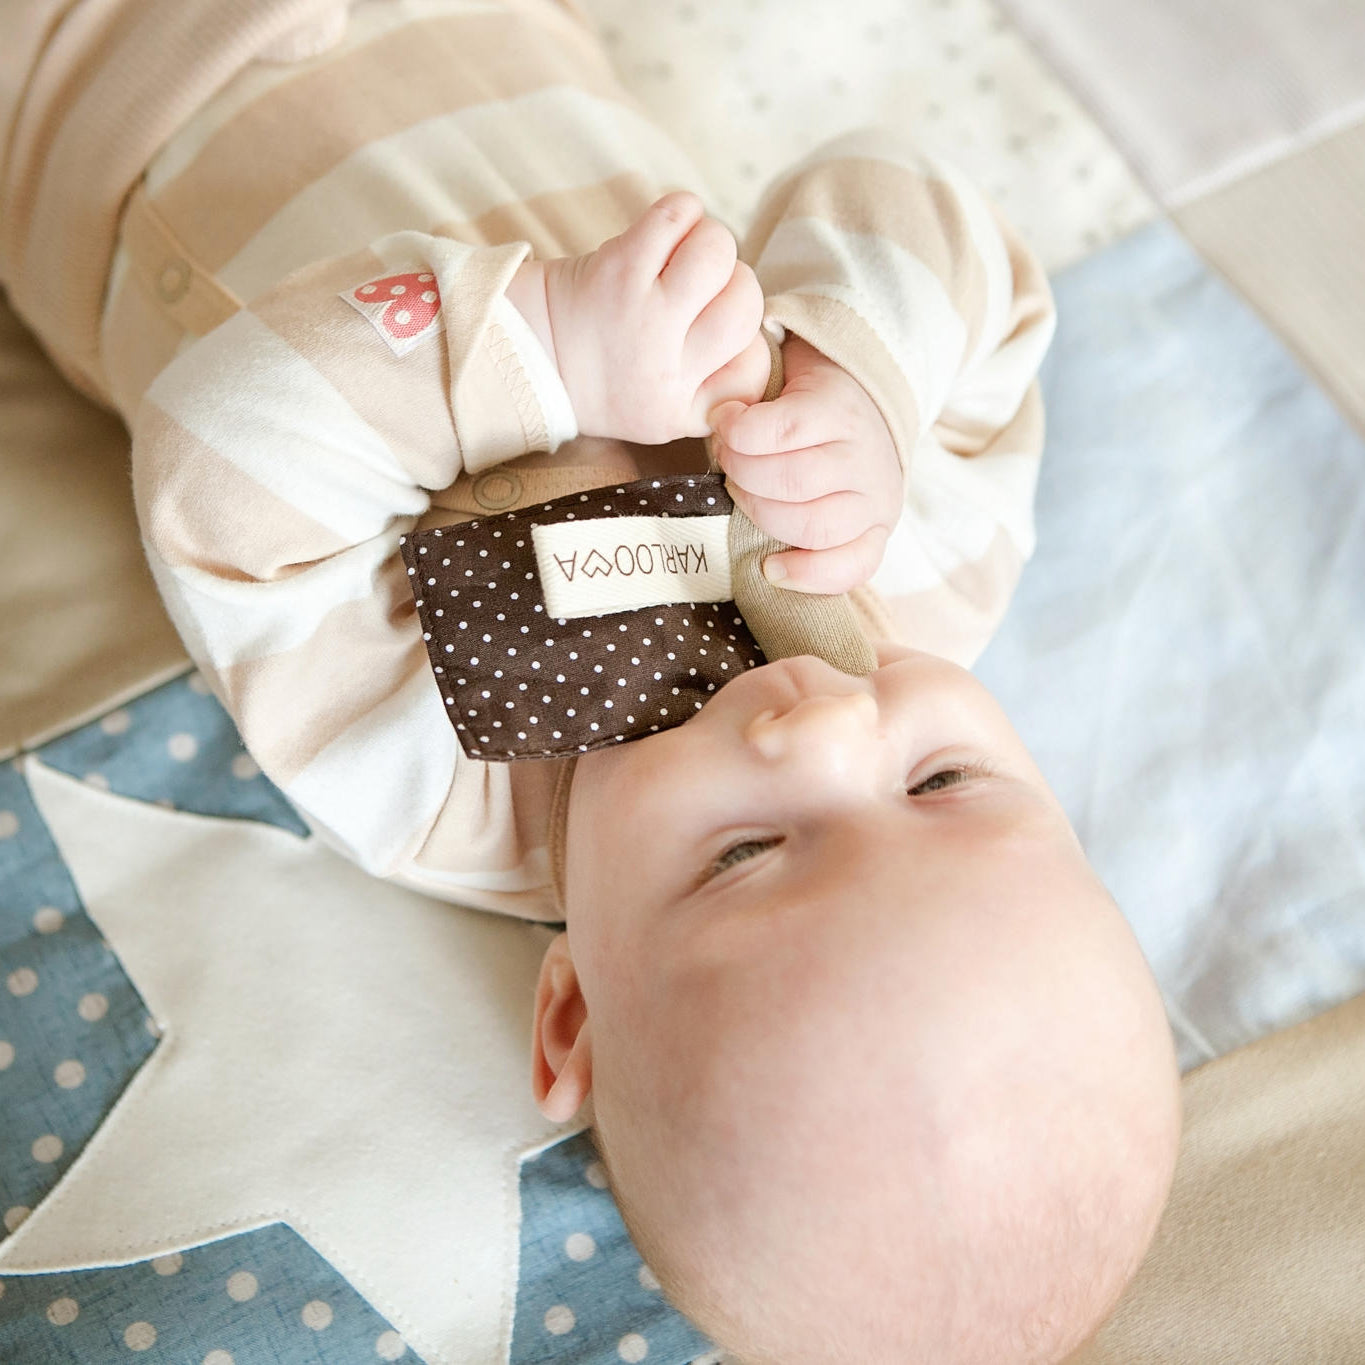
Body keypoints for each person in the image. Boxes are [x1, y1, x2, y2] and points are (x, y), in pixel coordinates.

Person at [0, 0, 1182, 1360]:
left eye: (746, 851)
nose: (815, 726)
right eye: (940, 777)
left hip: (109, 72)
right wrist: (874, 374)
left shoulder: (439, 767)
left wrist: (544, 350)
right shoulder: (909, 558)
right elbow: (914, 200)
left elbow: (224, 460)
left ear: (571, 1009)